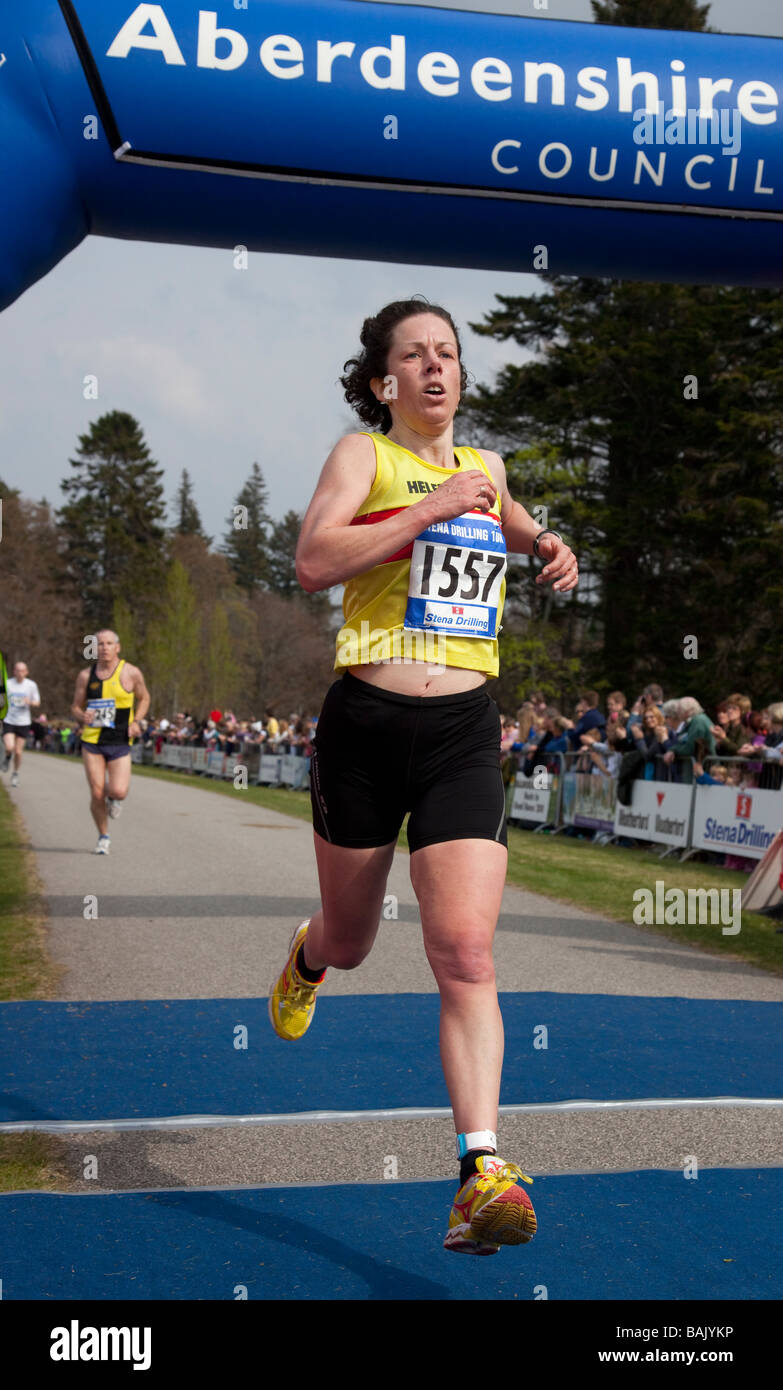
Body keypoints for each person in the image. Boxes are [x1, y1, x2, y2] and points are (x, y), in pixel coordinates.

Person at [267, 298, 578, 1255]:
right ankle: (311, 956)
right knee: (356, 942)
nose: (436, 368)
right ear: (382, 381)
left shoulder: (485, 469)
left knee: (465, 954)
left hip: (460, 731)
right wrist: (425, 512)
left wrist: (549, 549)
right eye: (416, 356)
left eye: (448, 354)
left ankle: (478, 1170)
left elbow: (512, 525)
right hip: (364, 724)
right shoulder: (361, 458)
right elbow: (314, 560)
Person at [70, 630, 150, 853]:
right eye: (99, 644)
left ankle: (114, 799)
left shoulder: (131, 672)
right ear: (94, 648)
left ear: (118, 647)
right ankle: (103, 836)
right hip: (92, 740)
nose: (104, 648)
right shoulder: (86, 676)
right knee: (96, 792)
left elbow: (144, 698)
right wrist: (81, 715)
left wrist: (138, 721)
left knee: (119, 790)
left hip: (120, 740)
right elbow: (75, 706)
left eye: (108, 644)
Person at [2, 661, 41, 787]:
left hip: (23, 722)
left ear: (26, 672)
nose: (20, 673)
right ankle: (7, 758)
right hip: (9, 720)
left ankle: (15, 773)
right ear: (14, 671)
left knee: (18, 752)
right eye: (17, 670)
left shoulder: (31, 685)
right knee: (9, 747)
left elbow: (37, 702)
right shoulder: (8, 684)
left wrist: (29, 702)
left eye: (22, 670)